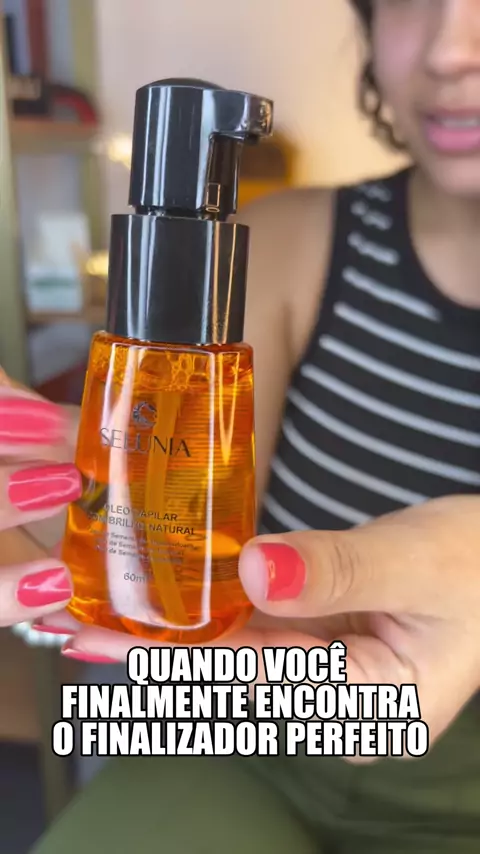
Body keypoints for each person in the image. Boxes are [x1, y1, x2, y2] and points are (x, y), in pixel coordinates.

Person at [1, 0, 480, 850]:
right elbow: (165, 528)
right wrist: (52, 517)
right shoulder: (297, 241)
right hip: (247, 727)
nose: (450, 48)